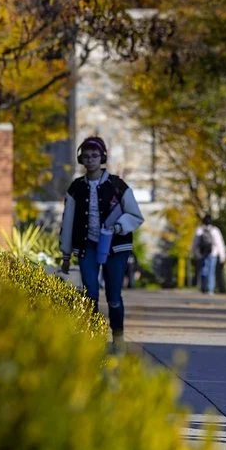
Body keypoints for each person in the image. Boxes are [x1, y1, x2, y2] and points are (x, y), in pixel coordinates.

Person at [60, 136, 144, 348]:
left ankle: (118, 339)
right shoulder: (76, 188)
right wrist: (66, 254)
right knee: (90, 294)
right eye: (86, 156)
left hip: (116, 247)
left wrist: (119, 226)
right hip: (86, 246)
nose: (90, 160)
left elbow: (135, 215)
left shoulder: (117, 185)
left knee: (114, 294)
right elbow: (68, 220)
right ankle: (92, 339)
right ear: (81, 159)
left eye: (95, 156)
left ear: (102, 157)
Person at [192, 214, 226, 294]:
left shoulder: (199, 230)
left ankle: (203, 287)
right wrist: (222, 256)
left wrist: (195, 253)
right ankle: (210, 289)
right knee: (211, 272)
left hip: (202, 253)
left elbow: (195, 243)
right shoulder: (215, 230)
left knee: (203, 270)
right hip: (213, 254)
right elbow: (219, 244)